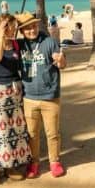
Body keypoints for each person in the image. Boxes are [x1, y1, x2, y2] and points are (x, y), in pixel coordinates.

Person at [0, 14, 32, 185]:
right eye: (9, 26)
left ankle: (10, 165)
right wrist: (0, 35)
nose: (13, 29)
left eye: (14, 26)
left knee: (16, 131)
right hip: (0, 91)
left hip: (15, 90)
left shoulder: (16, 44)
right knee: (0, 132)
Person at [16, 12, 67, 178]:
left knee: (52, 133)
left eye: (34, 26)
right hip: (29, 97)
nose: (32, 30)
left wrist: (60, 60)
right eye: (27, 28)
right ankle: (35, 162)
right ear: (22, 31)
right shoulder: (19, 45)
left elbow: (62, 63)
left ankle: (55, 162)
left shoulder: (49, 42)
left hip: (50, 96)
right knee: (32, 134)